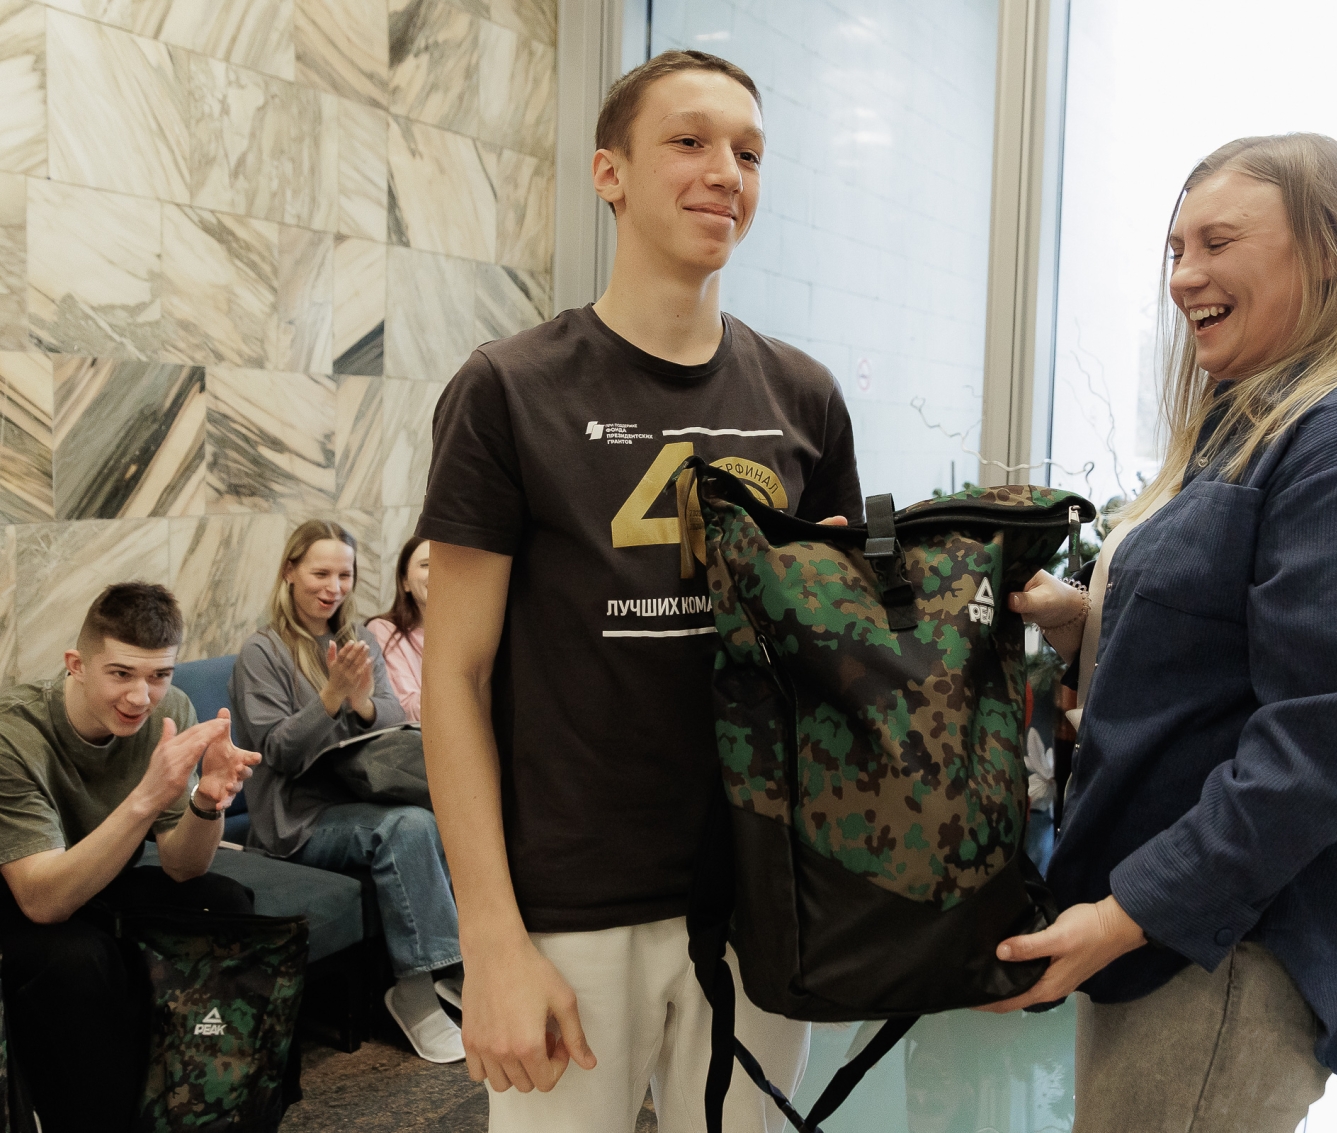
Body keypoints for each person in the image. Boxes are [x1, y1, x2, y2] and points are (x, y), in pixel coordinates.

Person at [991, 133, 1337, 1133]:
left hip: (1227, 950)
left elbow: (1325, 745)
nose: (1184, 276)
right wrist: (1086, 620)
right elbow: (1233, 649)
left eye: (1217, 243)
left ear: (1328, 252)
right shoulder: (1252, 423)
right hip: (1168, 937)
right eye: (1176, 249)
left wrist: (1129, 911)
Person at [418, 49, 863, 1132]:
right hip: (569, 907)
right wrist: (489, 938)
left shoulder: (804, 397)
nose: (725, 172)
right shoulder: (508, 389)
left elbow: (829, 666)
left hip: (759, 895)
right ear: (608, 172)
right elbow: (453, 677)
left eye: (748, 152)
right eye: (689, 141)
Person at [0, 582, 261, 1131]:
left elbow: (183, 867)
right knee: (80, 959)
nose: (142, 697)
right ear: (76, 665)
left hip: (104, 879)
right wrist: (148, 796)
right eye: (121, 674)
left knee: (225, 904)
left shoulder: (173, 710)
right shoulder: (13, 734)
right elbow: (43, 902)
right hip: (22, 897)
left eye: (159, 675)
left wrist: (206, 800)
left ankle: (205, 1101)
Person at [231, 519, 464, 1063]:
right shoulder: (262, 652)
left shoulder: (355, 639)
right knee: (409, 826)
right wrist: (331, 697)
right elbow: (278, 751)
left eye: (344, 575)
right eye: (320, 573)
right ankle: (414, 994)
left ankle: (457, 971)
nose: (333, 587)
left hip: (358, 797)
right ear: (290, 571)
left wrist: (360, 703)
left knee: (450, 808)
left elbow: (390, 714)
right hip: (296, 819)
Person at [369, 536, 429, 722]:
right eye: (426, 565)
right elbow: (405, 711)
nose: (438, 573)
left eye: (447, 565)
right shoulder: (384, 630)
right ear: (405, 582)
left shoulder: (477, 634)